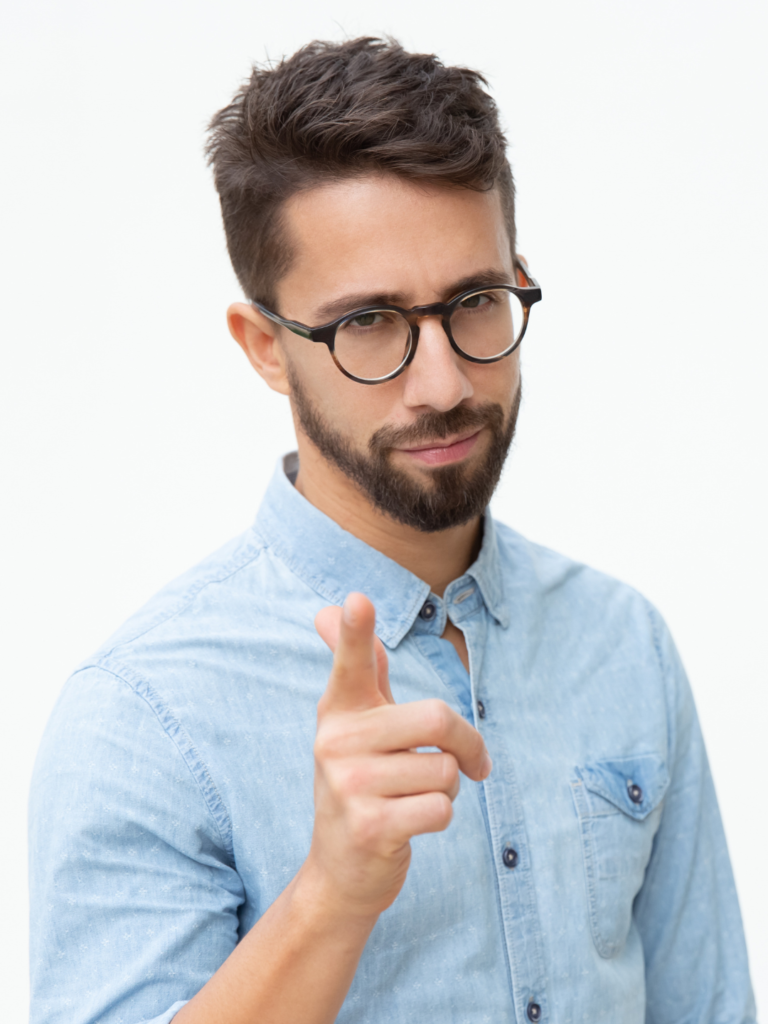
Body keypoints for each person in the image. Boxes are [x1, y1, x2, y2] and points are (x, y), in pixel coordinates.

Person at [29, 36, 755, 1024]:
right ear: (267, 348)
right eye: (369, 322)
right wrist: (329, 898)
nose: (445, 383)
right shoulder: (145, 714)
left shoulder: (623, 642)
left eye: (475, 303)